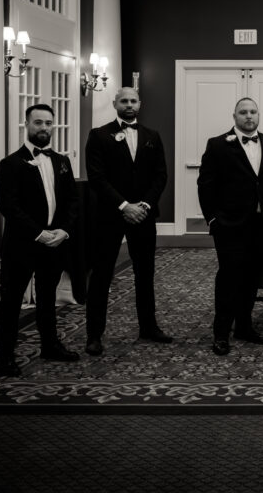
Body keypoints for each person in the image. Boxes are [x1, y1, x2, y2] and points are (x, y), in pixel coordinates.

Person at [84, 87, 172, 356]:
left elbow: (160, 175)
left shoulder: (152, 136)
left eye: (133, 100)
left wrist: (144, 205)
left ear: (140, 104)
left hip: (143, 214)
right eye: (124, 101)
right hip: (110, 215)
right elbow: (97, 177)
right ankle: (94, 335)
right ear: (115, 104)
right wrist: (123, 206)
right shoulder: (99, 135)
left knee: (145, 273)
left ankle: (149, 326)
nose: (129, 104)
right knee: (102, 274)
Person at [198, 97, 263, 356]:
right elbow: (206, 185)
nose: (249, 116)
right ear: (234, 116)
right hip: (229, 225)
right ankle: (221, 333)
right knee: (229, 278)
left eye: (253, 111)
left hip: (261, 225)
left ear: (258, 115)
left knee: (251, 278)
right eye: (243, 112)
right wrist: (212, 219)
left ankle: (244, 327)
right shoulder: (217, 145)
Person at [0, 104, 81, 376]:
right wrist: (38, 233)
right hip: (22, 243)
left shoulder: (62, 161)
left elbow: (72, 200)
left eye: (48, 123)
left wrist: (63, 230)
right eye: (38, 122)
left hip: (55, 242)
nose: (44, 128)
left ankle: (50, 345)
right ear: (27, 125)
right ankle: (5, 356)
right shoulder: (10, 163)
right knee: (11, 301)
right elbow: (8, 205)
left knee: (47, 297)